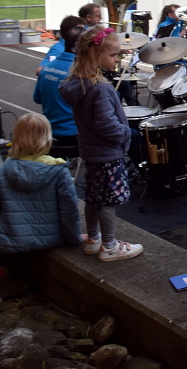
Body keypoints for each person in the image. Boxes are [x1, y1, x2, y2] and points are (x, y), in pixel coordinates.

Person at [59, 27, 144, 262]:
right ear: (96, 56)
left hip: (90, 152)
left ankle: (93, 238)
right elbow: (107, 125)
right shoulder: (101, 88)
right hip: (107, 154)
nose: (117, 59)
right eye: (114, 55)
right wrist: (126, 133)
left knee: (93, 198)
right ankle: (109, 245)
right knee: (108, 201)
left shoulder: (78, 84)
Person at [0, 113, 82, 254]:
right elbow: (69, 211)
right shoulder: (58, 170)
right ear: (47, 137)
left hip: (13, 238)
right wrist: (74, 239)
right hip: (51, 239)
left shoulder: (7, 167)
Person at [35, 23, 85, 148]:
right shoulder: (80, 73)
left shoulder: (46, 69)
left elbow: (37, 98)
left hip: (50, 131)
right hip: (76, 133)